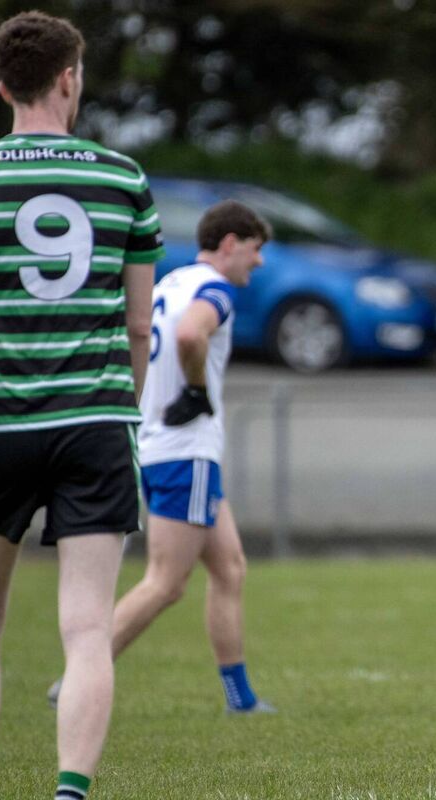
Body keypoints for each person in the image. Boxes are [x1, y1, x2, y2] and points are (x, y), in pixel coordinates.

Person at [0, 12, 164, 800]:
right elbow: (138, 325)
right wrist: (127, 407)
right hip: (94, 421)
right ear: (67, 78)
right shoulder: (123, 179)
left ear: (2, 86)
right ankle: (69, 791)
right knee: (87, 627)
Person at [47, 200, 275, 716]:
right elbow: (191, 334)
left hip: (162, 446)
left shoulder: (171, 282)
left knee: (230, 567)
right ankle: (77, 675)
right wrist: (195, 391)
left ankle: (241, 699)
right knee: (165, 582)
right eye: (255, 250)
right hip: (183, 451)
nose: (258, 262)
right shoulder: (214, 290)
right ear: (230, 244)